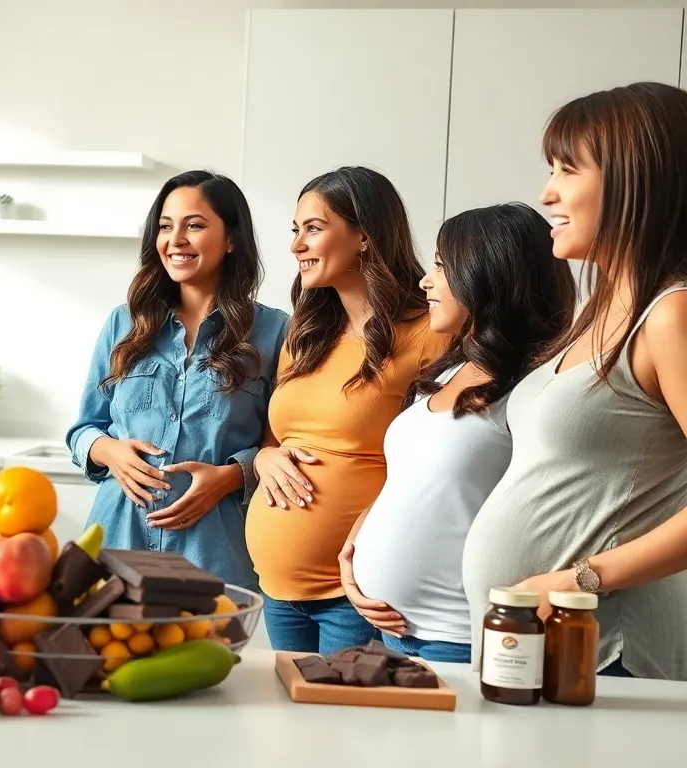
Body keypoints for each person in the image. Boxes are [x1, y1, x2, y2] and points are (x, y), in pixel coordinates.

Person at [462, 82, 687, 681]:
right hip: (535, 643)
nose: (547, 193)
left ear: (636, 181)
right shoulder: (599, 310)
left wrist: (581, 578)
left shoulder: (670, 314)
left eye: (568, 169)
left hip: (605, 647)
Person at [337, 203, 576, 663]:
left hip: (459, 637)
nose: (426, 281)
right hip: (389, 628)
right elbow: (417, 481)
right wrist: (358, 540)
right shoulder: (451, 371)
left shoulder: (537, 390)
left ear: (489, 277)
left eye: (443, 267)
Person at [246, 166, 449, 654]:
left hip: (355, 590)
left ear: (363, 235)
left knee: (345, 728)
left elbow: (438, 464)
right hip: (276, 590)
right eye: (295, 231)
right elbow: (278, 437)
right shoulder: (306, 332)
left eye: (313, 228)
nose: (297, 245)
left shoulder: (430, 331)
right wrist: (263, 457)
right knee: (288, 726)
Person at [66, 170, 288, 590]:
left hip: (215, 556)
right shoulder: (123, 323)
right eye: (166, 226)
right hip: (114, 547)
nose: (176, 239)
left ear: (232, 239)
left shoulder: (275, 333)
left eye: (195, 225)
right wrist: (108, 449)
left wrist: (231, 476)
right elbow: (83, 430)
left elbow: (281, 444)